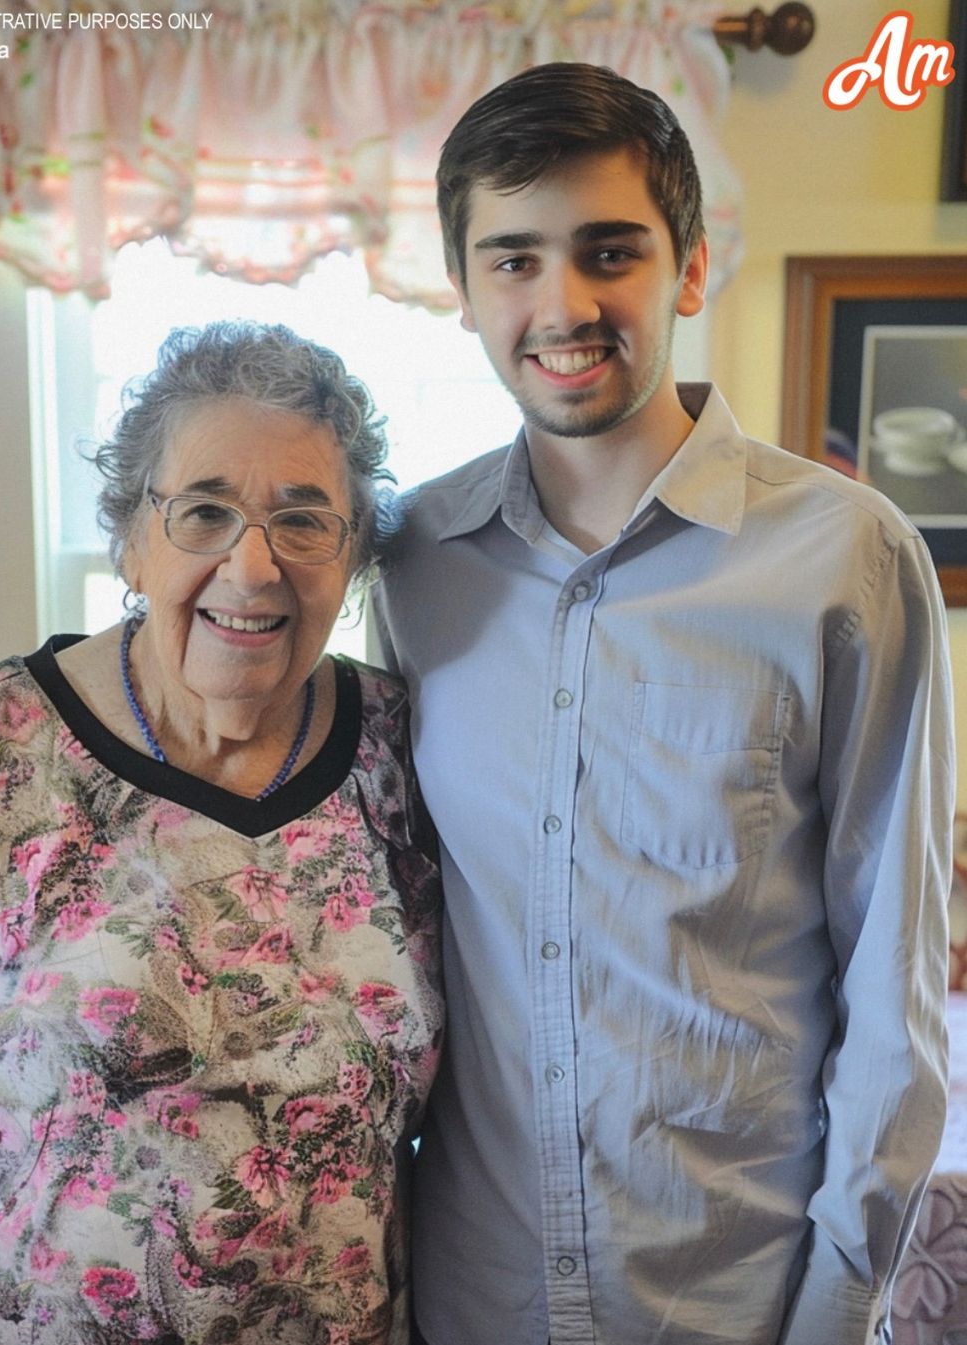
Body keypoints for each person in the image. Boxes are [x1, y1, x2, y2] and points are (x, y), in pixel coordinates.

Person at [373, 62, 955, 1345]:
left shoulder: (846, 557)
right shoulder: (409, 563)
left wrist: (837, 1305)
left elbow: (895, 990)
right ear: (462, 289)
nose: (561, 303)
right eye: (513, 258)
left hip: (730, 1297)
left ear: (689, 270)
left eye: (609, 251)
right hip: (475, 1293)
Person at [0, 321, 443, 1345]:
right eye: (204, 512)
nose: (254, 565)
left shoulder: (400, 751)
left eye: (305, 520)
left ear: (353, 551)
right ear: (133, 537)